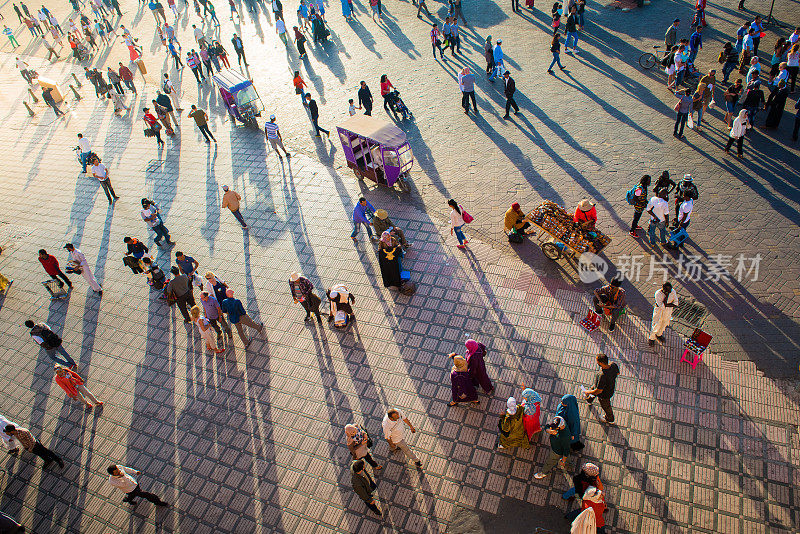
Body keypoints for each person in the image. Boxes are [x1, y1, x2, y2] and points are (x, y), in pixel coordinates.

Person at [582, 353, 619, 424]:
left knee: (606, 406)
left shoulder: (602, 375)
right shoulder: (613, 365)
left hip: (604, 395)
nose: (597, 363)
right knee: (593, 389)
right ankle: (589, 400)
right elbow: (617, 373)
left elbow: (598, 391)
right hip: (608, 386)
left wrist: (587, 392)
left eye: (597, 361)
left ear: (601, 363)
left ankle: (609, 418)